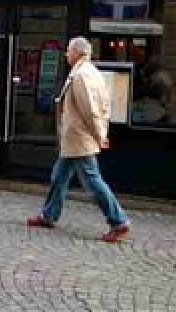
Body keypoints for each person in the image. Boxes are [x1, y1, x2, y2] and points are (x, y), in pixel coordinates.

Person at [27, 37, 131, 243]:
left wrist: (99, 135)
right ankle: (48, 215)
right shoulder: (92, 72)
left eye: (68, 51)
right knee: (59, 175)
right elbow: (103, 107)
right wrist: (101, 132)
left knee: (93, 181)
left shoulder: (81, 75)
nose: (66, 54)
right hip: (75, 139)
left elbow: (90, 110)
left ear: (77, 53)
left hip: (79, 139)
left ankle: (119, 221)